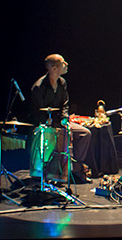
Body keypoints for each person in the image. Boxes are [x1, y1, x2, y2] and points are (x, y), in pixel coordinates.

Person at [31, 54, 92, 184]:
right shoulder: (38, 87)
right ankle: (52, 172)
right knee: (56, 137)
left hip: (60, 121)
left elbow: (65, 103)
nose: (66, 65)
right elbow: (37, 112)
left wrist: (65, 119)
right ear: (54, 68)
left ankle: (76, 169)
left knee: (85, 133)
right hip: (46, 125)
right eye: (63, 63)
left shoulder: (62, 82)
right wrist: (53, 124)